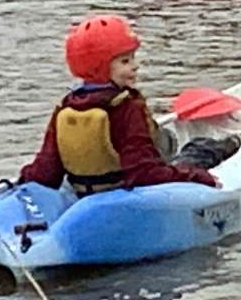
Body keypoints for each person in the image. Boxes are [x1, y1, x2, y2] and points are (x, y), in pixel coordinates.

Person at [14, 16, 222, 195]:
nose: (135, 66)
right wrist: (197, 177)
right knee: (200, 151)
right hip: (127, 194)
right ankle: (228, 144)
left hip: (88, 193)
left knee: (166, 140)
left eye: (132, 59)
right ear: (101, 67)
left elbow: (46, 172)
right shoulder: (127, 108)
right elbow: (143, 173)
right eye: (125, 61)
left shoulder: (66, 108)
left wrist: (21, 181)